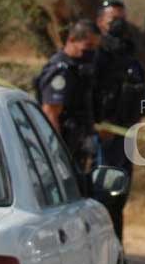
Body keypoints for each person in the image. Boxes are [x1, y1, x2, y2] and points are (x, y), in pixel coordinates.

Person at [95, 0, 145, 264]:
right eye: (111, 20)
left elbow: (144, 95)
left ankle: (118, 262)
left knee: (119, 199)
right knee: (100, 199)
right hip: (102, 138)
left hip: (125, 135)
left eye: (121, 20)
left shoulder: (130, 56)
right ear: (99, 23)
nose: (117, 26)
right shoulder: (95, 55)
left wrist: (138, 117)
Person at [35, 19, 100, 171]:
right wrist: (57, 154)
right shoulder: (62, 70)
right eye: (88, 46)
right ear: (71, 40)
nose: (92, 52)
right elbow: (51, 112)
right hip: (63, 146)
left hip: (77, 143)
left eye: (95, 47)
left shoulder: (77, 68)